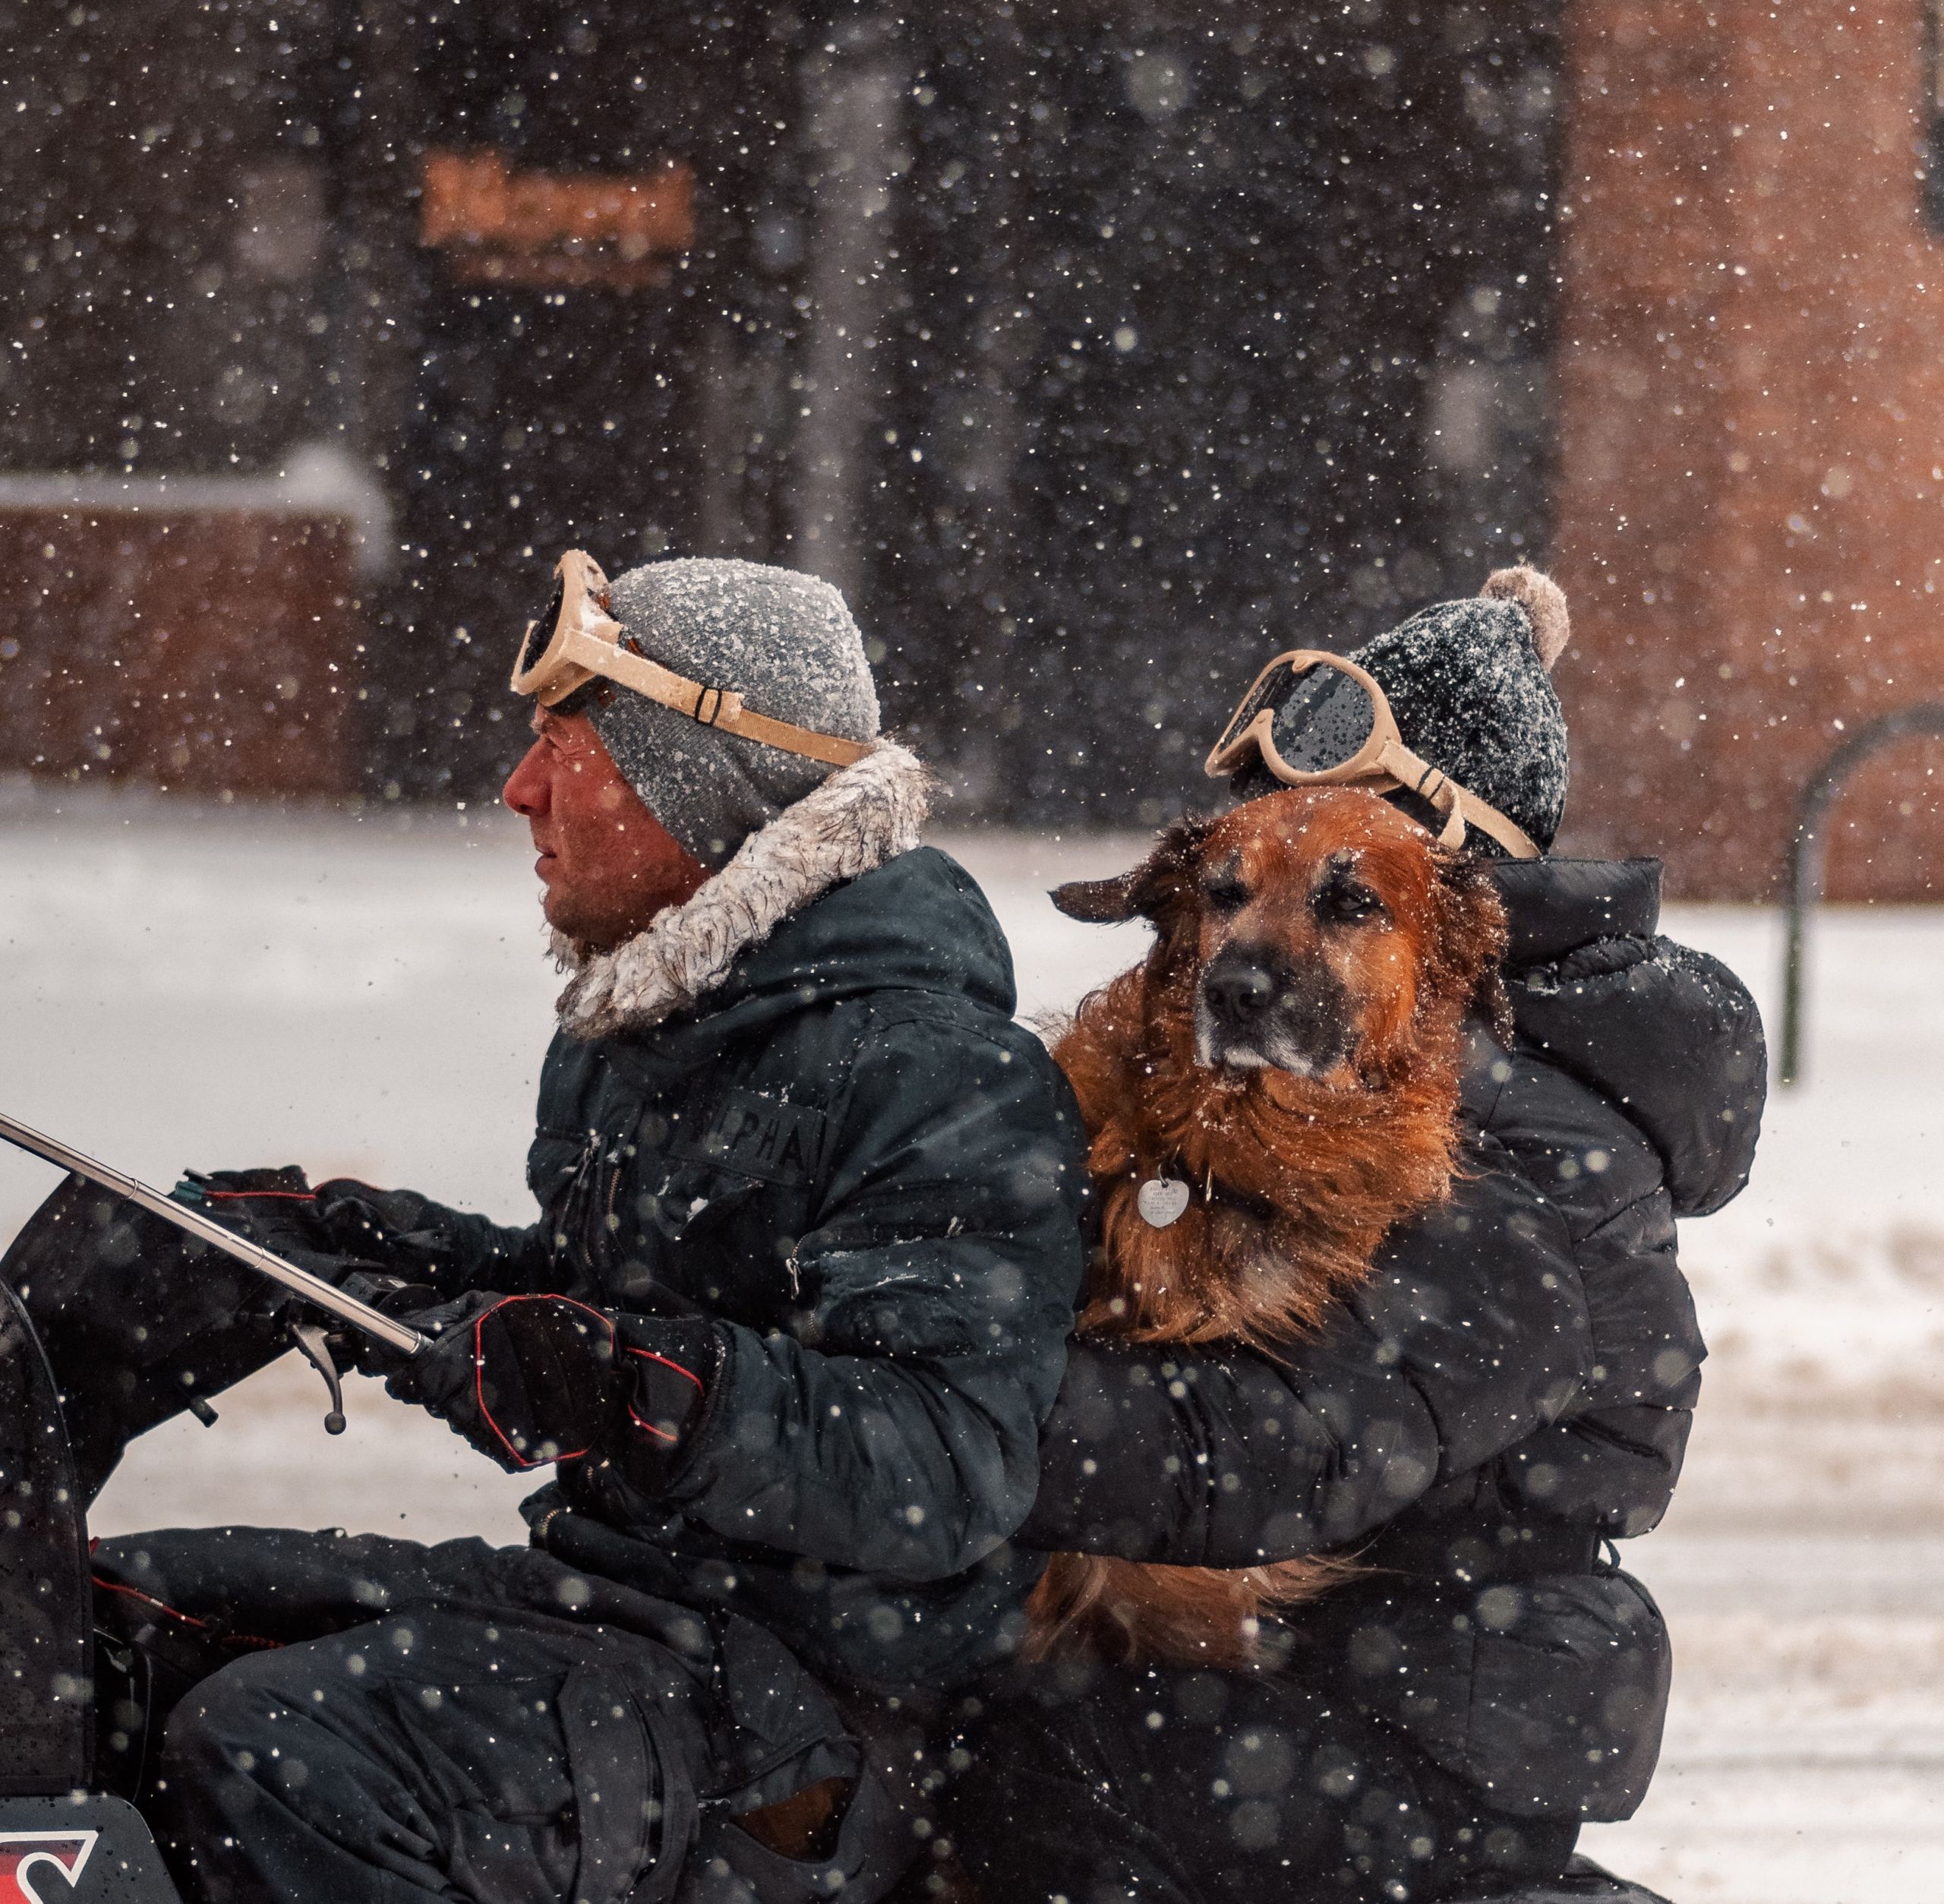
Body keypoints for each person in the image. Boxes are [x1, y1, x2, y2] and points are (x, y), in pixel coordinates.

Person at [88, 553, 1089, 1904]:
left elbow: (946, 1462)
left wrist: (632, 1391)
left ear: (706, 782)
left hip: (815, 1720)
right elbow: (589, 1302)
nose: (520, 790)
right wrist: (348, 1251)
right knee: (95, 1631)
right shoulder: (655, 1028)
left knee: (282, 1752)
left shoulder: (941, 1072)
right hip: (613, 1610)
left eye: (571, 747)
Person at [944, 570, 1766, 1904]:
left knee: (986, 1780)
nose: (1251, 957)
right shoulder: (1337, 1074)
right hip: (1323, 1683)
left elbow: (1285, 1445)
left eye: (1342, 900)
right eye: (1238, 894)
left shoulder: (1520, 1127)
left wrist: (941, 1428)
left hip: (1396, 1715)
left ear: (1453, 885)